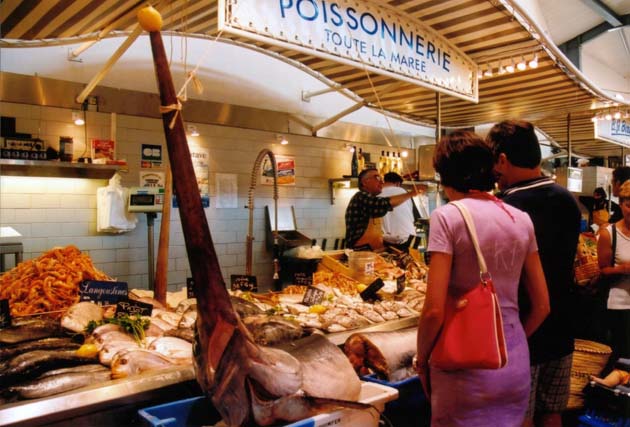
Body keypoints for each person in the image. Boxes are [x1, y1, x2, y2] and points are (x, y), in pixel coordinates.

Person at [416, 130, 549, 427]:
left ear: (445, 175)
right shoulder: (521, 219)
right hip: (514, 364)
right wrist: (511, 342)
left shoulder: (447, 217)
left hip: (463, 367)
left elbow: (434, 310)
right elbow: (542, 305)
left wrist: (422, 360)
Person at [487, 119, 581, 427]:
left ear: (502, 159)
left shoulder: (506, 206)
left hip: (520, 327)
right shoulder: (568, 200)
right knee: (552, 411)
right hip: (561, 324)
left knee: (520, 415)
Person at [345, 168, 424, 250]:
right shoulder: (360, 197)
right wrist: (412, 193)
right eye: (377, 178)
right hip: (360, 251)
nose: (382, 182)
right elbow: (383, 204)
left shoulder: (372, 199)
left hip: (370, 250)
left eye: (381, 179)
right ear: (365, 182)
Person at [597, 180, 630, 364]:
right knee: (622, 359)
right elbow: (603, 270)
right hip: (619, 306)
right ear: (621, 204)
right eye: (628, 205)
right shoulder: (609, 234)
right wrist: (623, 269)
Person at [380, 172, 418, 249]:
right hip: (408, 237)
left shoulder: (376, 194)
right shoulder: (404, 193)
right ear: (398, 183)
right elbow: (415, 218)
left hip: (387, 239)